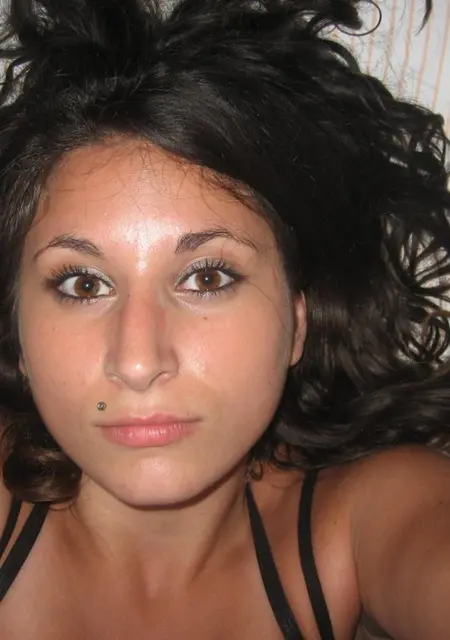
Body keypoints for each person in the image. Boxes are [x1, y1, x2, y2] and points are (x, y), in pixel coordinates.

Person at [0, 0, 448, 638]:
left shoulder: (363, 518)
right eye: (84, 283)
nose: (138, 362)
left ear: (298, 322)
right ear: (18, 330)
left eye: (207, 278)